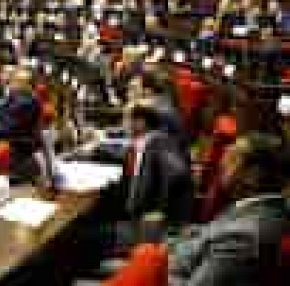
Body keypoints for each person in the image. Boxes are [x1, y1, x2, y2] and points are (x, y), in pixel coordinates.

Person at [167, 133, 289, 285]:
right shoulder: (257, 208)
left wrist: (156, 270)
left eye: (232, 157)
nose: (221, 163)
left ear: (253, 174)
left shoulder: (244, 237)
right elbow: (208, 233)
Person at [124, 104, 193, 226]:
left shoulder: (158, 144)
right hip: (142, 214)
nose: (124, 125)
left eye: (126, 119)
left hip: (152, 223)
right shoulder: (147, 142)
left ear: (140, 123)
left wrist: (160, 213)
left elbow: (178, 177)